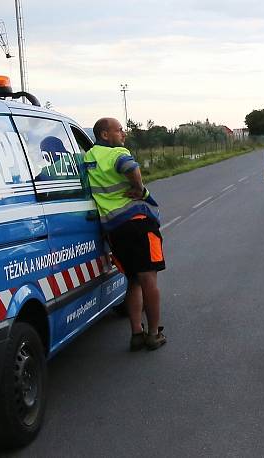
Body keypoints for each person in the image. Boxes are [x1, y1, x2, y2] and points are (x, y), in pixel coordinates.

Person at [84, 117, 167, 350]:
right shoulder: (117, 153)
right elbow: (131, 168)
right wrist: (139, 188)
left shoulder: (88, 157)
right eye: (119, 130)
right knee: (149, 280)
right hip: (138, 222)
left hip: (114, 228)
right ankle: (154, 334)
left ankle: (136, 333)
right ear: (104, 135)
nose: (124, 134)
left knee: (132, 280)